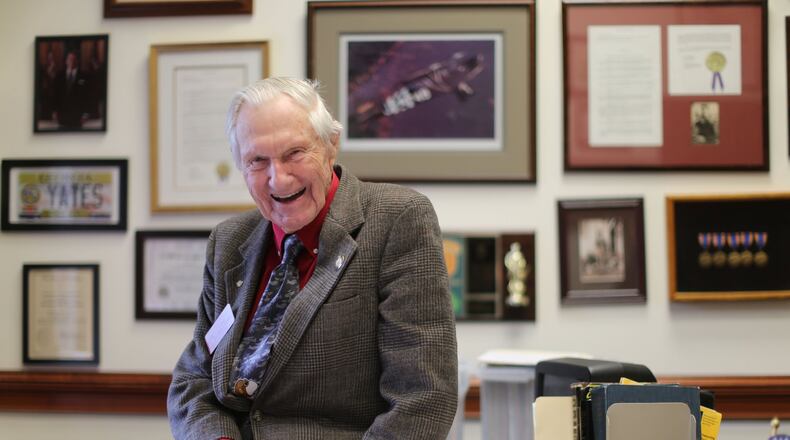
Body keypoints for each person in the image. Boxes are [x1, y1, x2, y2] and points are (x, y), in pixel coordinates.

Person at [167, 77, 458, 439]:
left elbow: (423, 398)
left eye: (294, 153)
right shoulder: (229, 241)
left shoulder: (397, 219)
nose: (279, 178)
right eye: (258, 161)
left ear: (330, 146)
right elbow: (193, 383)